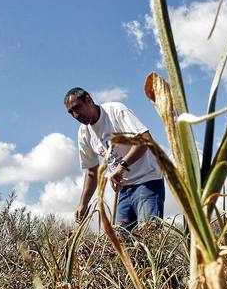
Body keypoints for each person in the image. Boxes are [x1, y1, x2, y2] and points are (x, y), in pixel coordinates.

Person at [64, 87, 165, 229]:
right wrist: (83, 204)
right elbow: (92, 171)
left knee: (149, 234)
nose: (76, 115)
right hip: (123, 188)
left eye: (77, 107)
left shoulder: (115, 111)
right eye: (71, 113)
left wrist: (121, 166)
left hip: (147, 180)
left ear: (89, 100)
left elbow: (144, 140)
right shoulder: (84, 133)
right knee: (121, 241)